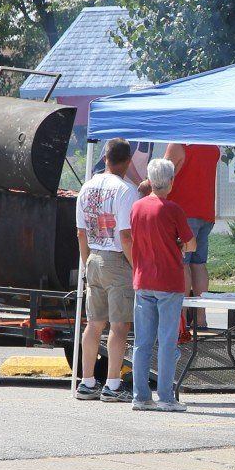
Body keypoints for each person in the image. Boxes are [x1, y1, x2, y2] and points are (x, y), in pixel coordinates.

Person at [130, 159, 196, 412]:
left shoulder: (137, 208)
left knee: (142, 342)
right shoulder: (173, 209)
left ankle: (140, 396)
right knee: (167, 341)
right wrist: (178, 244)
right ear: (170, 181)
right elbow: (191, 245)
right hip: (169, 281)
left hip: (142, 279)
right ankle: (166, 397)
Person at [74, 138, 137, 402]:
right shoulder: (125, 189)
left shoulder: (86, 187)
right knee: (119, 325)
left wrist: (87, 262)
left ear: (105, 158)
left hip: (93, 257)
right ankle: (112, 384)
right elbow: (125, 235)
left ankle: (87, 381)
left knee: (94, 324)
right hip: (116, 258)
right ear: (128, 161)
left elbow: (80, 232)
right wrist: (136, 267)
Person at [145, 143, 221, 327]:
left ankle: (182, 319)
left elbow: (160, 175)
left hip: (183, 212)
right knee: (199, 264)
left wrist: (142, 184)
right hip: (206, 211)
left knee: (183, 263)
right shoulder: (213, 146)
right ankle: (201, 319)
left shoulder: (179, 145)